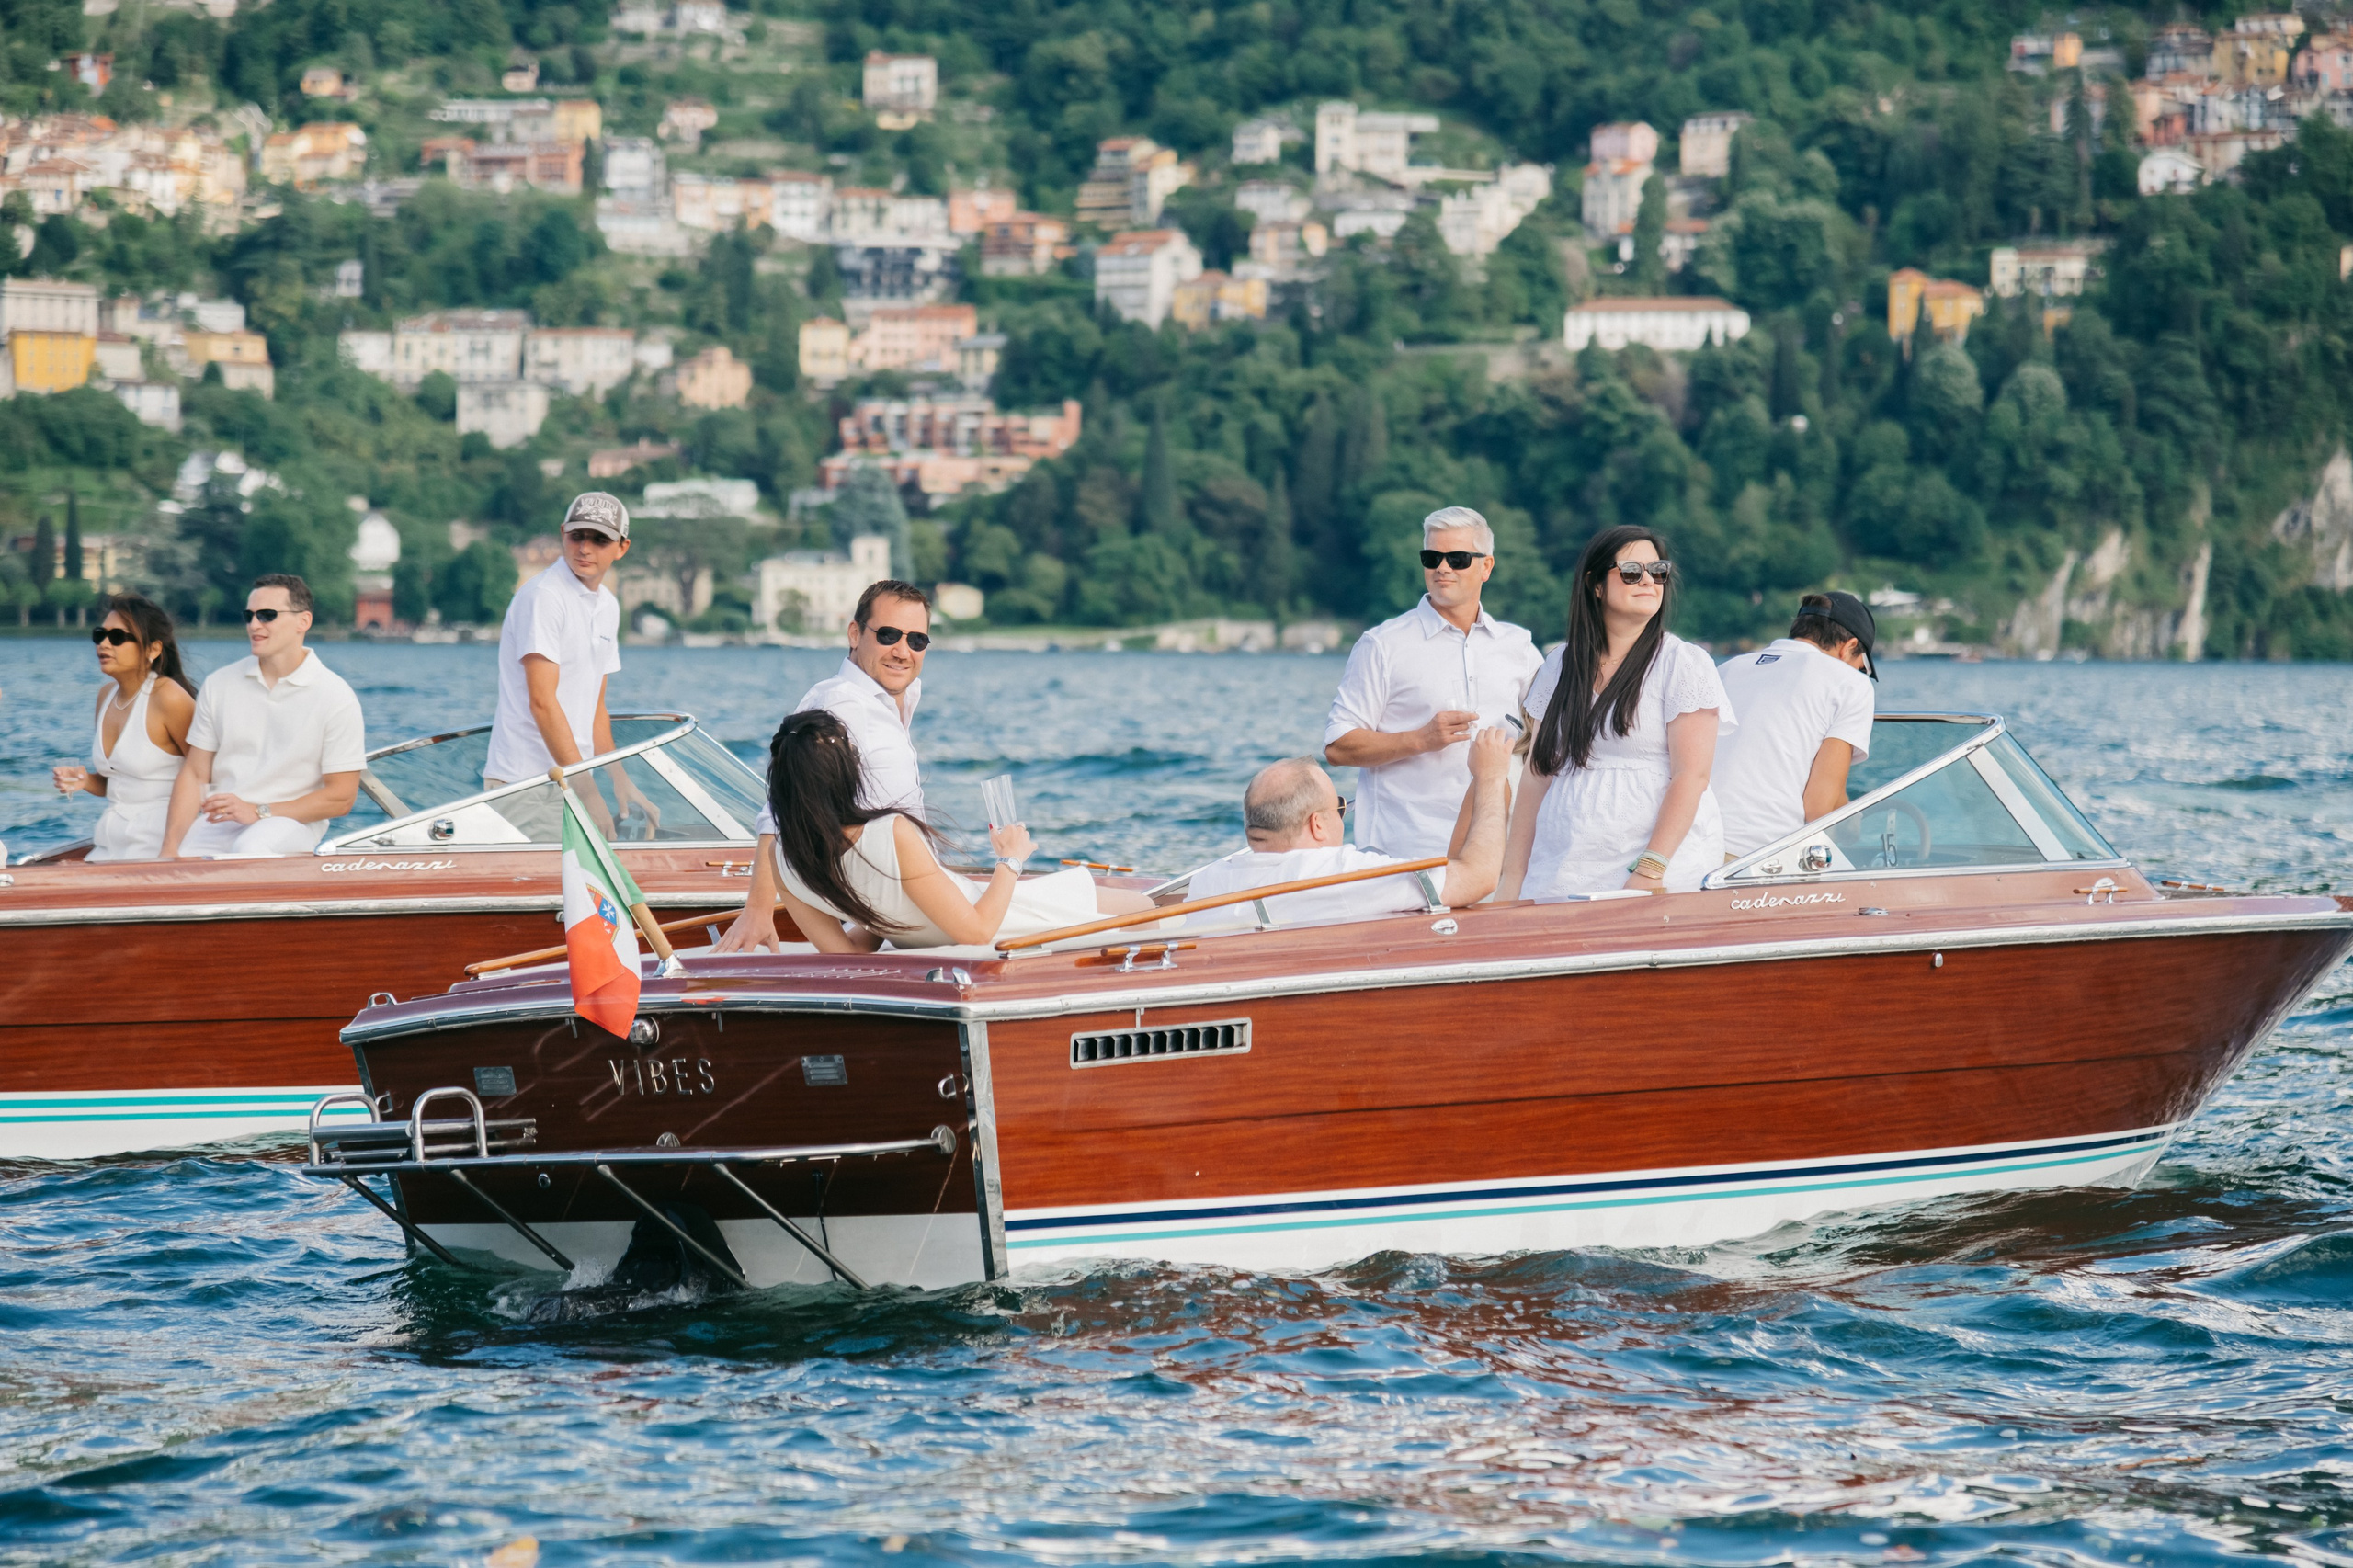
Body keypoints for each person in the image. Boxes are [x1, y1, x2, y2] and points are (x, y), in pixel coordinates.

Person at [765, 710, 1149, 951]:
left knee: (1138, 907)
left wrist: (883, 918)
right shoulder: (890, 833)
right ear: (845, 774)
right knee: (1146, 909)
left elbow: (849, 956)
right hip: (1007, 921)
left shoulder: (782, 860)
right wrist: (1010, 859)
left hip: (974, 915)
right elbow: (976, 932)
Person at [1497, 527, 1736, 900]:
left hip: (1654, 866)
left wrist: (1651, 868)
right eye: (1631, 572)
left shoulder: (1683, 663)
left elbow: (1691, 776)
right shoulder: (1560, 665)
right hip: (1563, 863)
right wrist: (1513, 877)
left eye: (1658, 571)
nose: (1648, 581)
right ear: (1595, 584)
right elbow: (1537, 776)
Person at [717, 578, 934, 952]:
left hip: (905, 900)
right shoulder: (839, 704)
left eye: (917, 640)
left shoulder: (891, 696)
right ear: (855, 634)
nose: (903, 651)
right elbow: (781, 809)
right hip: (904, 901)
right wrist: (758, 909)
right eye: (888, 635)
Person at [1323, 506, 1541, 858]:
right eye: (1432, 557)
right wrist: (1420, 739)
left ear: (1486, 567)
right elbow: (1338, 746)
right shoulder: (1382, 645)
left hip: (1497, 847)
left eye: (1457, 559)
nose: (1442, 568)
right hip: (1405, 852)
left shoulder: (1520, 648)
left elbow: (1550, 740)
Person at [1188, 727, 1515, 924]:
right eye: (1340, 808)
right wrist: (1491, 775)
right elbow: (1478, 878)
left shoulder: (1208, 881)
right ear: (1317, 824)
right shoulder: (1342, 872)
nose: (1342, 816)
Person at [483, 491, 660, 837]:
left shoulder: (607, 606)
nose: (585, 548)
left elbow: (596, 708)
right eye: (577, 536)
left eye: (599, 540)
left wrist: (619, 780)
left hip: (570, 782)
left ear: (622, 547)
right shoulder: (544, 596)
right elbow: (542, 702)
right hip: (526, 786)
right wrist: (590, 796)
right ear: (563, 534)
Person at [161, 574, 368, 858]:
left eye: (267, 615)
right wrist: (169, 848)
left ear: (303, 621)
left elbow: (341, 797)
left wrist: (258, 811)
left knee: (251, 848)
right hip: (222, 820)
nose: (254, 625)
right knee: (181, 858)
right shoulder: (219, 684)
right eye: (249, 616)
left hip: (291, 824)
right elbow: (195, 774)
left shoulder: (335, 696)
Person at [1713, 592, 1878, 859]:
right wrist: (1852, 825)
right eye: (1863, 668)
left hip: (1691, 846)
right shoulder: (1850, 684)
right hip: (1757, 856)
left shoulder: (1727, 670)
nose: (1861, 675)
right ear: (1849, 647)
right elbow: (1819, 809)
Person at [51, 594, 197, 861]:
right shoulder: (106, 696)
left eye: (117, 637)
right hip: (110, 837)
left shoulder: (169, 697)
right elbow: (117, 783)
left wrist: (172, 848)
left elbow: (205, 773)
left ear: (153, 649)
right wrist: (86, 780)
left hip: (159, 838)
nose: (104, 644)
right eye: (100, 635)